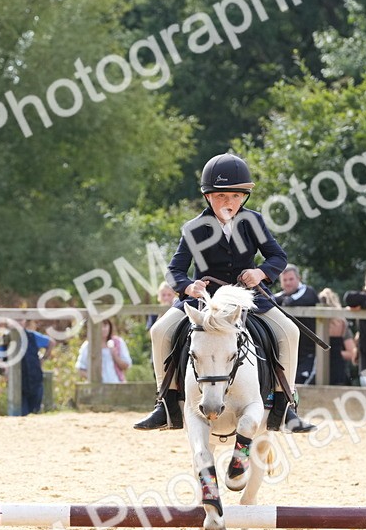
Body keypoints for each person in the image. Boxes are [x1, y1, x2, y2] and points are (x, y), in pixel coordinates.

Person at [134, 152, 313, 432]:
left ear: (243, 197)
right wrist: (188, 286)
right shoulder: (193, 228)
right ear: (208, 197)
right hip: (205, 302)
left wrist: (260, 273)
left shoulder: (254, 222)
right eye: (220, 196)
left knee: (290, 331)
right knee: (159, 331)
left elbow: (277, 257)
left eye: (233, 196)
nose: (227, 202)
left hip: (246, 299)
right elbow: (174, 270)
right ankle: (165, 404)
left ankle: (286, 405)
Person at [277, 264, 319, 385]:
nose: (288, 283)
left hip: (309, 352)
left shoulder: (308, 292)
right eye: (284, 280)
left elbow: (291, 301)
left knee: (304, 382)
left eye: (291, 279)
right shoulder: (281, 295)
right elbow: (272, 299)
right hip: (289, 351)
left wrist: (285, 301)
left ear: (298, 279)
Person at [318, 288, 358, 386]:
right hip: (338, 367)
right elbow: (352, 353)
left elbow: (352, 353)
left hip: (318, 366)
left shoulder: (316, 323)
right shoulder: (342, 322)